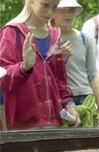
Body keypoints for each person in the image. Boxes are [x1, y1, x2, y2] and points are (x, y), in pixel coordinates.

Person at [0, 0, 80, 130]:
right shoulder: (11, 32)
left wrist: (69, 105)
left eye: (54, 7)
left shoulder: (55, 36)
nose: (50, 12)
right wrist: (24, 67)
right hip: (22, 125)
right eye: (45, 5)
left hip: (53, 123)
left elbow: (59, 80)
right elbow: (3, 79)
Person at [52, 0, 99, 127]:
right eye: (63, 10)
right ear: (53, 11)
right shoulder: (47, 39)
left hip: (86, 98)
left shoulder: (84, 38)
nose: (68, 14)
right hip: (60, 101)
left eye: (71, 10)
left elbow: (93, 74)